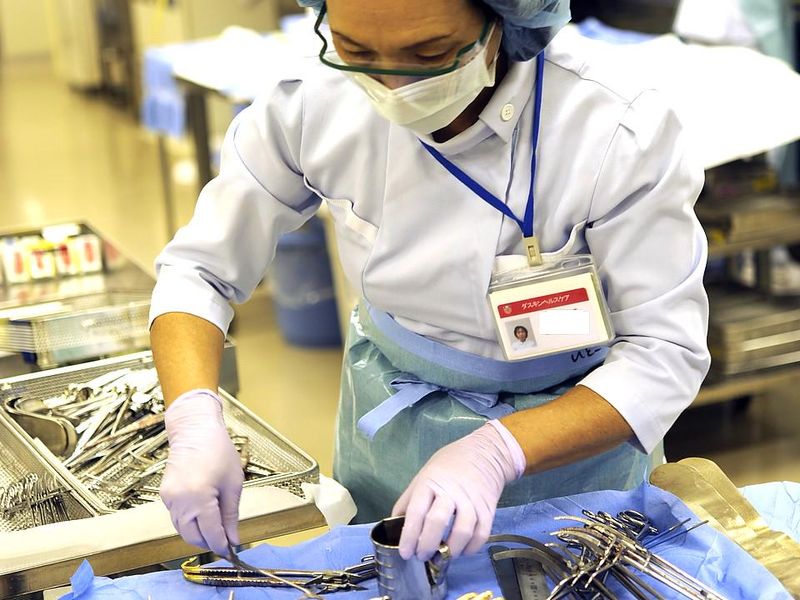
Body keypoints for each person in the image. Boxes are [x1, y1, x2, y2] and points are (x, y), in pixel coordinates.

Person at [151, 0, 710, 564]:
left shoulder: (615, 126)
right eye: (356, 51)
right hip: (392, 434)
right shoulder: (311, 100)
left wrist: (497, 452)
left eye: (430, 54)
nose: (392, 87)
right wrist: (193, 416)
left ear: (503, 21)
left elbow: (663, 353)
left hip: (578, 450)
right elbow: (200, 270)